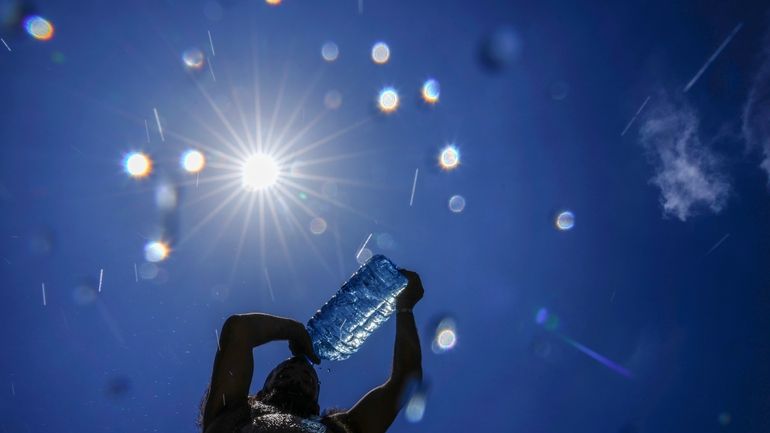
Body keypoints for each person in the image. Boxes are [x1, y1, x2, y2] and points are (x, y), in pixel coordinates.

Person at [199, 269, 424, 433]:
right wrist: (293, 330)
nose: (296, 377)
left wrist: (405, 307)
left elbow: (405, 380)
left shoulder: (343, 428)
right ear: (259, 393)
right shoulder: (230, 411)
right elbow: (239, 329)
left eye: (305, 379)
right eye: (285, 375)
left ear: (317, 406)